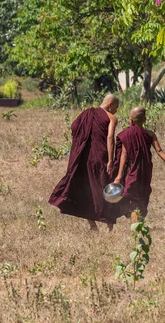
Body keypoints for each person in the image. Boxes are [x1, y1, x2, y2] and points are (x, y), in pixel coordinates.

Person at [49, 94, 120, 231]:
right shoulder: (112, 118)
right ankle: (109, 226)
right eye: (116, 107)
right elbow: (110, 137)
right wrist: (111, 160)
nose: (116, 111)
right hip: (101, 157)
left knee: (85, 189)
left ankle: (93, 226)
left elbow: (74, 127)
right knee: (105, 188)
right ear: (110, 104)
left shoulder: (86, 114)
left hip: (83, 157)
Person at [113, 106, 165, 223]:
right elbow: (159, 150)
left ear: (130, 120)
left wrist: (119, 176)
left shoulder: (125, 134)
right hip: (145, 170)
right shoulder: (150, 134)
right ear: (145, 119)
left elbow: (124, 155)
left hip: (132, 170)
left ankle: (136, 225)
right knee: (142, 194)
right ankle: (138, 222)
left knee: (132, 197)